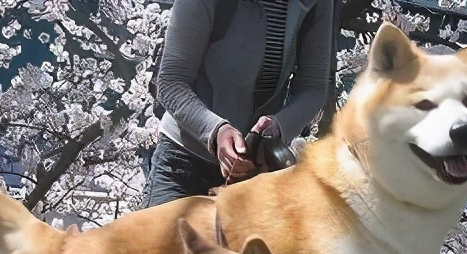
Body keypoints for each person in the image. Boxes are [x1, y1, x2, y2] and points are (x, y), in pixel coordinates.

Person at [143, 0, 335, 207]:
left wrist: (278, 128)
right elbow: (172, 81)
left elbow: (313, 87)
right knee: (164, 239)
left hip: (256, 170)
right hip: (183, 161)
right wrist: (216, 131)